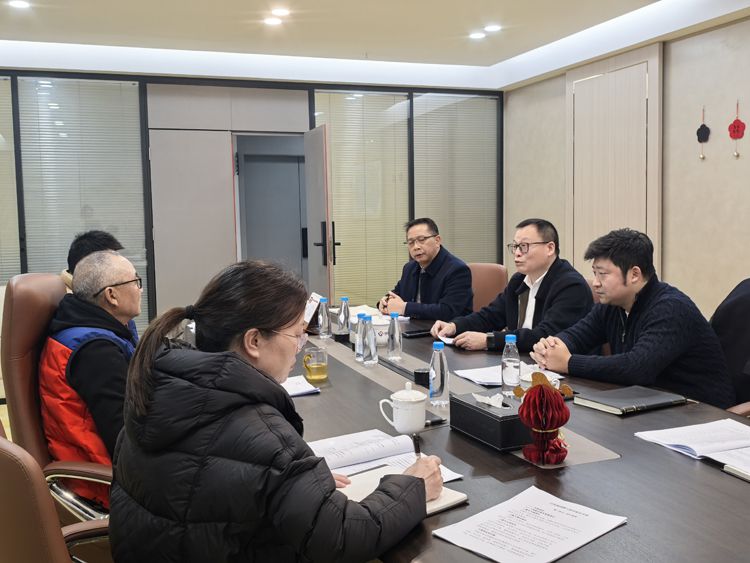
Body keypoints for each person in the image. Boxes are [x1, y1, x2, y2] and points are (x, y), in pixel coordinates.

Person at [110, 260, 443, 562]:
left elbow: (209, 482)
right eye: (296, 335)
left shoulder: (155, 391)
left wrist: (295, 487)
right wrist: (411, 487)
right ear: (254, 341)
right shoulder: (261, 435)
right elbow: (344, 537)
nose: (299, 348)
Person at [531, 229, 735, 408]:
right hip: (650, 403)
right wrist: (550, 347)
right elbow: (579, 335)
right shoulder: (612, 305)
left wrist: (569, 362)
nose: (595, 283)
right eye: (594, 273)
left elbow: (636, 368)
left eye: (603, 274)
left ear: (634, 274)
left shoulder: (671, 308)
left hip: (698, 412)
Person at [39, 250, 142, 505]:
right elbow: (126, 437)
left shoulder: (99, 331)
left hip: (115, 469)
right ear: (111, 295)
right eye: (135, 281)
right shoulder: (96, 351)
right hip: (105, 487)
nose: (140, 289)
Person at [431, 218, 592, 352]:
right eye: (515, 246)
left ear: (550, 248)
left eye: (524, 246)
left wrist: (489, 340)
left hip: (563, 373)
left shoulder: (571, 286)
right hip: (522, 360)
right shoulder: (519, 280)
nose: (517, 253)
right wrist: (455, 326)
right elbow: (491, 316)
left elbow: (545, 335)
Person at [378, 218, 472, 321]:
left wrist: (404, 308)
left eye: (422, 240)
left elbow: (448, 311)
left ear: (437, 240)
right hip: (415, 327)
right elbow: (397, 293)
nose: (416, 247)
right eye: (411, 242)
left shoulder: (457, 270)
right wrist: (385, 301)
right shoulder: (409, 268)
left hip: (445, 330)